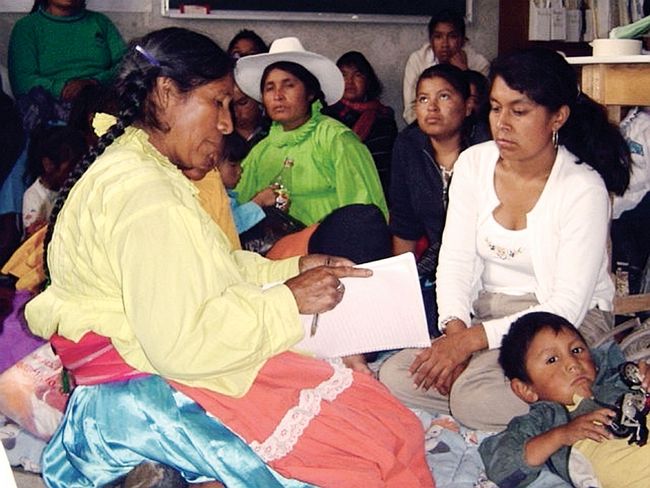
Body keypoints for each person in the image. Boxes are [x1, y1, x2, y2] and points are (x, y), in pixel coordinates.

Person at [25, 27, 433, 487]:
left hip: (141, 373)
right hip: (148, 391)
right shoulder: (147, 192)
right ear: (164, 94)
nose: (225, 123)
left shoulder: (139, 162)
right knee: (373, 447)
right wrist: (287, 301)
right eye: (217, 102)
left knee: (374, 417)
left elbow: (211, 265)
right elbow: (183, 345)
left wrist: (293, 269)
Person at [380, 47, 631, 431]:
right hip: (489, 314)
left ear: (557, 117)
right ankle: (539, 398)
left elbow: (565, 306)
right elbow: (456, 259)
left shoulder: (583, 188)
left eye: (519, 111)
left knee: (472, 398)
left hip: (564, 326)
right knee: (397, 374)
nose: (502, 124)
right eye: (496, 108)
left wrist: (470, 345)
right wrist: (456, 332)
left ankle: (576, 401)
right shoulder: (474, 163)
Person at [480, 312, 650, 487]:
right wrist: (560, 435)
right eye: (552, 359)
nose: (573, 364)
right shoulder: (544, 422)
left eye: (577, 350)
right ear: (526, 389)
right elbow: (500, 466)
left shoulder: (620, 379)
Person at [234, 37, 388, 227]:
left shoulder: (336, 140)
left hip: (330, 253)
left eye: (288, 85)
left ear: (310, 93)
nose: (278, 96)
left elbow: (365, 213)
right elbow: (234, 209)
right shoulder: (260, 151)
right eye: (269, 88)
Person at [389, 64, 474, 334]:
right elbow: (404, 224)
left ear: (468, 105)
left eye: (444, 97)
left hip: (483, 262)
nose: (432, 107)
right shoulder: (408, 145)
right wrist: (402, 288)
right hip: (438, 261)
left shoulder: (486, 146)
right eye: (423, 99)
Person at [8, 0, 125, 130]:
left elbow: (126, 65)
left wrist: (94, 81)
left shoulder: (100, 22)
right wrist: (62, 89)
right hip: (50, 105)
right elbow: (23, 80)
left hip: (98, 97)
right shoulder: (27, 27)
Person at [323, 51, 397, 200]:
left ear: (368, 81)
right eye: (343, 75)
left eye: (357, 75)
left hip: (373, 192)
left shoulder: (383, 118)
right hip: (331, 193)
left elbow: (386, 166)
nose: (349, 82)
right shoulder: (325, 116)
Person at [402, 9, 489, 124]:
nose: (445, 44)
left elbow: (480, 111)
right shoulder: (418, 60)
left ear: (462, 40)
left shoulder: (479, 63)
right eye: (438, 37)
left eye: (452, 36)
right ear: (431, 40)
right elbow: (410, 111)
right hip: (425, 128)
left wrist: (464, 73)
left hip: (464, 129)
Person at [22, 124, 86, 237]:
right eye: (70, 168)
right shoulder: (33, 196)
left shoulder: (74, 187)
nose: (75, 173)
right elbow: (34, 235)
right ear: (48, 165)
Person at [217, 132, 276, 234]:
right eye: (233, 165)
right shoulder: (213, 199)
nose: (240, 170)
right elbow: (228, 227)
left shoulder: (227, 196)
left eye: (240, 164)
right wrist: (259, 202)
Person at [227, 30, 271, 147]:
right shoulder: (219, 134)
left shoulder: (274, 131)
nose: (234, 110)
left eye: (242, 102)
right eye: (236, 54)